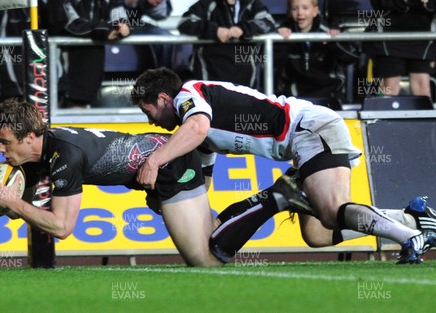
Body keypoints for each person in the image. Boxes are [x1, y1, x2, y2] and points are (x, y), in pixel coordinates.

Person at [130, 68, 436, 264]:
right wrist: (169, 200)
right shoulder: (195, 131)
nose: (151, 121)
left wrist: (155, 160)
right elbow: (202, 187)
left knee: (331, 211)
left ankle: (408, 238)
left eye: (149, 112)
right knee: (317, 235)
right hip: (304, 138)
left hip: (309, 129)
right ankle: (413, 218)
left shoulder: (190, 94)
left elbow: (196, 128)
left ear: (163, 98)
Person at [0, 99, 315, 267]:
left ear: (31, 136)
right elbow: (30, 208)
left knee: (206, 259)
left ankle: (277, 197)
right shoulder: (42, 150)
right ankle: (277, 195)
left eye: (5, 142)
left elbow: (62, 227)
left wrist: (11, 201)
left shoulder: (65, 156)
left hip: (169, 166)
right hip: (160, 164)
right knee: (211, 232)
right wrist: (3, 200)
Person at [47, 0, 132, 108]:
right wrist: (106, 31)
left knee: (78, 109)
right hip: (60, 60)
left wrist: (120, 27)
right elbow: (71, 24)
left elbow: (122, 21)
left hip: (89, 64)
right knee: (50, 109)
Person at [177, 0, 276, 88]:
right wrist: (214, 30)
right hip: (210, 80)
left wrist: (243, 29)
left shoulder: (253, 4)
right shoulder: (207, 3)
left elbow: (268, 22)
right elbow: (185, 23)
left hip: (246, 83)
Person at [275, 0, 358, 104]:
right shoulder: (283, 34)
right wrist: (281, 41)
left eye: (305, 8)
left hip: (328, 93)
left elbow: (351, 57)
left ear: (315, 11)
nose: (300, 13)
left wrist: (333, 42)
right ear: (289, 12)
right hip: (295, 95)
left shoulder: (328, 31)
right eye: (295, 9)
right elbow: (272, 63)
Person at [363, 0, 436, 98]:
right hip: (388, 37)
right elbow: (379, 4)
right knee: (390, 86)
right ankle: (383, 111)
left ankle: (425, 113)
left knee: (422, 86)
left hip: (423, 38)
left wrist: (429, 3)